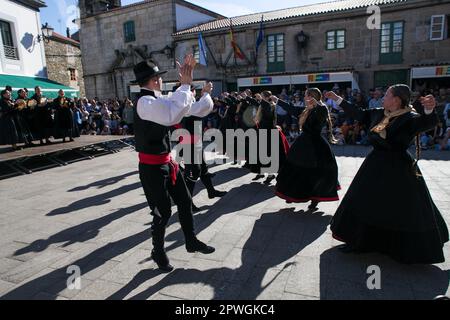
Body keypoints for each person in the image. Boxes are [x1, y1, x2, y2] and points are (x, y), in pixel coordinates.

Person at [327, 85, 449, 264]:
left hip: (398, 168)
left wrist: (430, 109)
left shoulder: (409, 117)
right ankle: (358, 240)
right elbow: (359, 113)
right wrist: (338, 99)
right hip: (375, 163)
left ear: (397, 100)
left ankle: (396, 245)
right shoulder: (378, 113)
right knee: (363, 200)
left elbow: (426, 123)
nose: (383, 97)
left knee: (400, 207)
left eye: (386, 95)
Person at [133, 56, 215, 272]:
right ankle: (158, 251)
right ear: (153, 81)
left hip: (167, 162)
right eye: (158, 78)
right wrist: (185, 85)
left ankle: (190, 240)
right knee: (163, 212)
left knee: (185, 201)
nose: (161, 81)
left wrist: (204, 94)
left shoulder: (159, 99)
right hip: (151, 168)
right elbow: (171, 114)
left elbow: (193, 109)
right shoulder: (144, 102)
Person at [275, 88, 340, 211]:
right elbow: (292, 109)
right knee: (292, 167)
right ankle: (291, 193)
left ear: (311, 96)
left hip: (315, 145)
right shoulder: (307, 109)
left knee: (315, 172)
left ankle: (315, 198)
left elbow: (321, 113)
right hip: (302, 143)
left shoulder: (321, 109)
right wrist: (278, 100)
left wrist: (317, 102)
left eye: (306, 95)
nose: (304, 98)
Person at [181, 82, 227, 212]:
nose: (195, 93)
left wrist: (205, 94)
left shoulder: (189, 103)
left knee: (203, 169)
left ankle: (211, 191)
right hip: (190, 142)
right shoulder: (187, 104)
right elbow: (204, 106)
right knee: (193, 172)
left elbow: (202, 107)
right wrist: (206, 93)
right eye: (194, 91)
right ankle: (187, 202)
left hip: (194, 141)